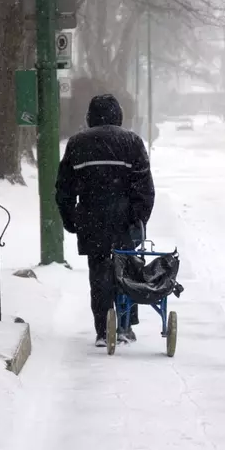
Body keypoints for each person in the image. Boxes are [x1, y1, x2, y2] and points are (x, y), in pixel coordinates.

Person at [56, 94, 156, 347]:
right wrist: (139, 218)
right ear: (118, 115)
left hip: (91, 218)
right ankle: (125, 324)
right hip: (124, 219)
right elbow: (144, 186)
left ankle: (103, 329)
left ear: (90, 116)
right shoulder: (131, 142)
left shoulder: (77, 144)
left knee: (98, 270)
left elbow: (65, 187)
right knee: (127, 266)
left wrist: (70, 219)